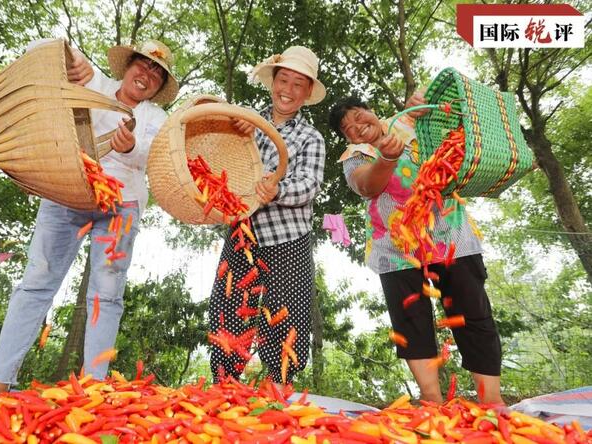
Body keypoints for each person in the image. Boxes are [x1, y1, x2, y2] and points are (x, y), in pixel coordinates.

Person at [0, 38, 179, 395]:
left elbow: (153, 161)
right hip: (68, 191)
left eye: (157, 74)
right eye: (143, 65)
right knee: (37, 280)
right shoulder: (93, 82)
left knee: (107, 292)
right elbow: (44, 49)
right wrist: (72, 58)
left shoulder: (157, 120)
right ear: (127, 67)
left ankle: (93, 385)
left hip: (121, 205)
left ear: (160, 87)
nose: (146, 75)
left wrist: (130, 147)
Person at [328, 96, 504, 405]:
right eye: (348, 128)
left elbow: (446, 107)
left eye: (358, 115)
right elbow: (366, 186)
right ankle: (432, 401)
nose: (357, 127)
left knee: (473, 315)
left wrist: (425, 100)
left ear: (373, 111)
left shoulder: (410, 122)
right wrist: (385, 159)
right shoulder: (354, 157)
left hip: (451, 237)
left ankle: (492, 402)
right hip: (397, 250)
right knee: (412, 324)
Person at [208, 46, 326, 385]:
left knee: (286, 311)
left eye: (298, 84)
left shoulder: (310, 138)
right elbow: (225, 165)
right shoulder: (246, 123)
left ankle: (279, 382)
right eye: (283, 79)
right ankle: (225, 382)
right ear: (272, 82)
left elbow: (308, 185)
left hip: (287, 237)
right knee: (229, 306)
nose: (287, 90)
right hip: (242, 232)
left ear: (306, 94)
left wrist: (279, 190)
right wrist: (230, 132)